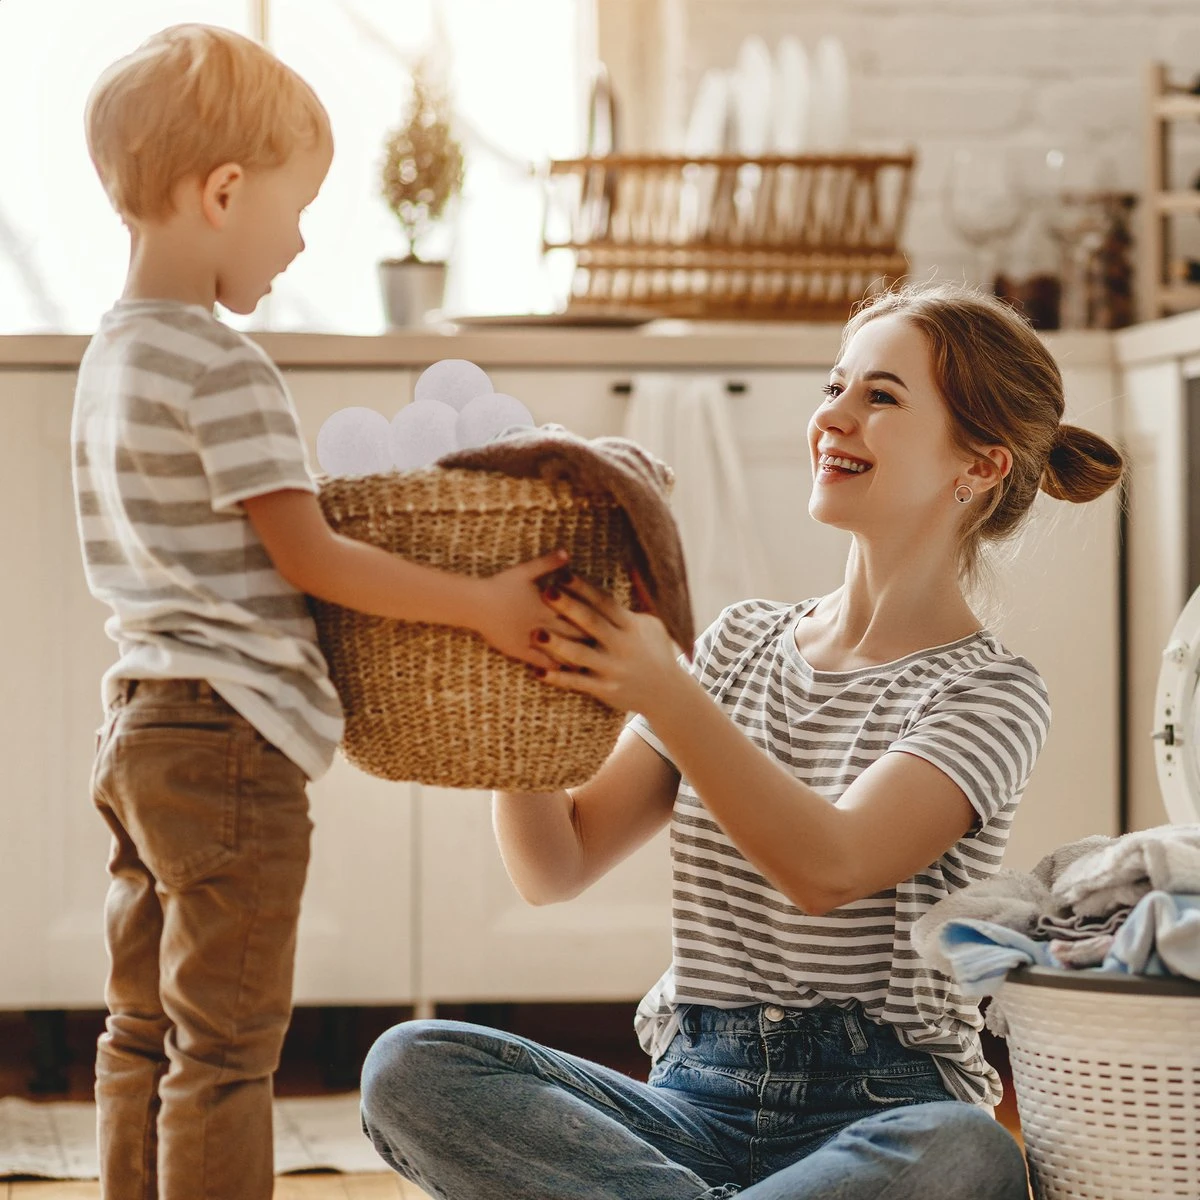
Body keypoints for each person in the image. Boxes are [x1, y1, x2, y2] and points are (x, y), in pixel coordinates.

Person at [359, 282, 1125, 1200]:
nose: (832, 416)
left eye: (880, 396)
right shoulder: (737, 644)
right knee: (413, 1064)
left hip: (880, 1105)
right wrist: (514, 688)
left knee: (967, 1150)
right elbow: (554, 864)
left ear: (981, 465)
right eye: (834, 387)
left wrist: (665, 691)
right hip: (692, 1102)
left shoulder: (989, 692)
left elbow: (830, 867)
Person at [73, 25, 576, 1200]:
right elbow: (312, 556)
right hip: (229, 741)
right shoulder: (222, 366)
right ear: (223, 193)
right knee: (227, 1045)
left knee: (140, 1027)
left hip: (136, 730)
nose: (298, 241)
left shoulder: (112, 358)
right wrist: (482, 606)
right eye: (295, 210)